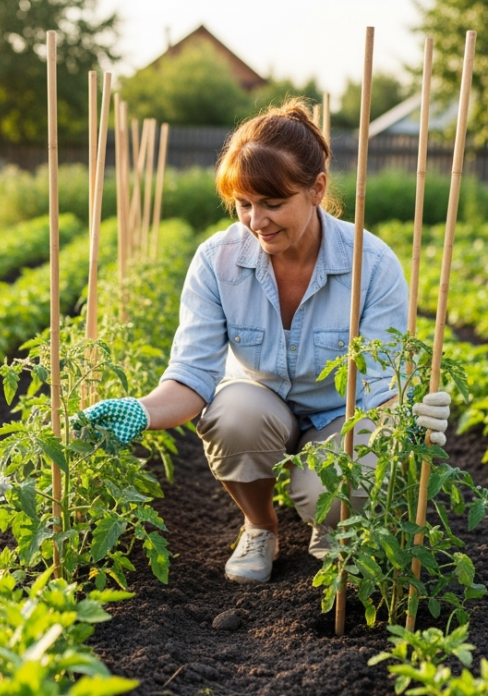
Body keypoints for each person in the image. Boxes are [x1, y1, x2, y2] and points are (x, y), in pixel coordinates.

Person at [81, 99, 451, 584]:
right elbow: (193, 376)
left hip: (342, 414)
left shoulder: (372, 265)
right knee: (232, 417)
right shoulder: (218, 260)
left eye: (273, 204)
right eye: (244, 205)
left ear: (317, 189)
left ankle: (333, 521)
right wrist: (143, 410)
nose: (257, 221)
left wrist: (407, 414)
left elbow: (382, 385)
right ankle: (260, 526)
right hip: (259, 404)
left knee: (355, 469)